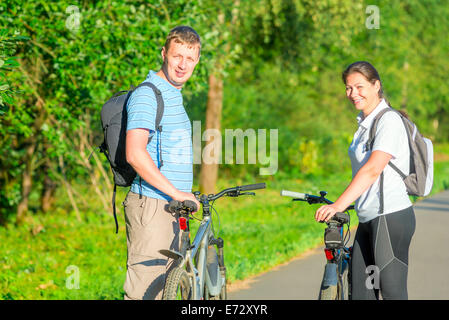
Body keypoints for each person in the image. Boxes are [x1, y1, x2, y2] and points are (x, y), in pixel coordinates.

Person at [315, 61, 416, 300]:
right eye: (349, 88)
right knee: (362, 293)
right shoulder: (363, 124)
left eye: (359, 87)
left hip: (390, 218)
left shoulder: (389, 121)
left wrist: (338, 205)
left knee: (392, 293)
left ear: (376, 85)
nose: (353, 94)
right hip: (367, 219)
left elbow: (372, 169)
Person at [123, 26, 201, 300]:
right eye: (177, 56)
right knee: (145, 293)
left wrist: (182, 195)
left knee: (167, 291)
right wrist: (177, 192)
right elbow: (135, 153)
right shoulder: (148, 94)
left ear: (197, 61)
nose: (183, 65)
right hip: (152, 206)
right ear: (164, 53)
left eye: (190, 58)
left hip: (172, 207)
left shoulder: (173, 94)